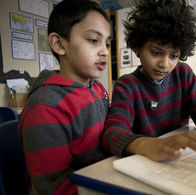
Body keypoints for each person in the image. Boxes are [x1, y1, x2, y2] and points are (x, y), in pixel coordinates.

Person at [102, 0, 196, 162]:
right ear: (138, 47)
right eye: (155, 52)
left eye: (173, 56)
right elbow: (113, 132)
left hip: (179, 157)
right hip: (146, 161)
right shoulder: (127, 86)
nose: (164, 64)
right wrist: (147, 145)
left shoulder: (183, 74)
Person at [18, 0, 111, 194]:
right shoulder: (46, 106)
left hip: (105, 177)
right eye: (94, 40)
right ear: (59, 44)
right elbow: (52, 187)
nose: (104, 51)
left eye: (107, 43)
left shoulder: (98, 87)